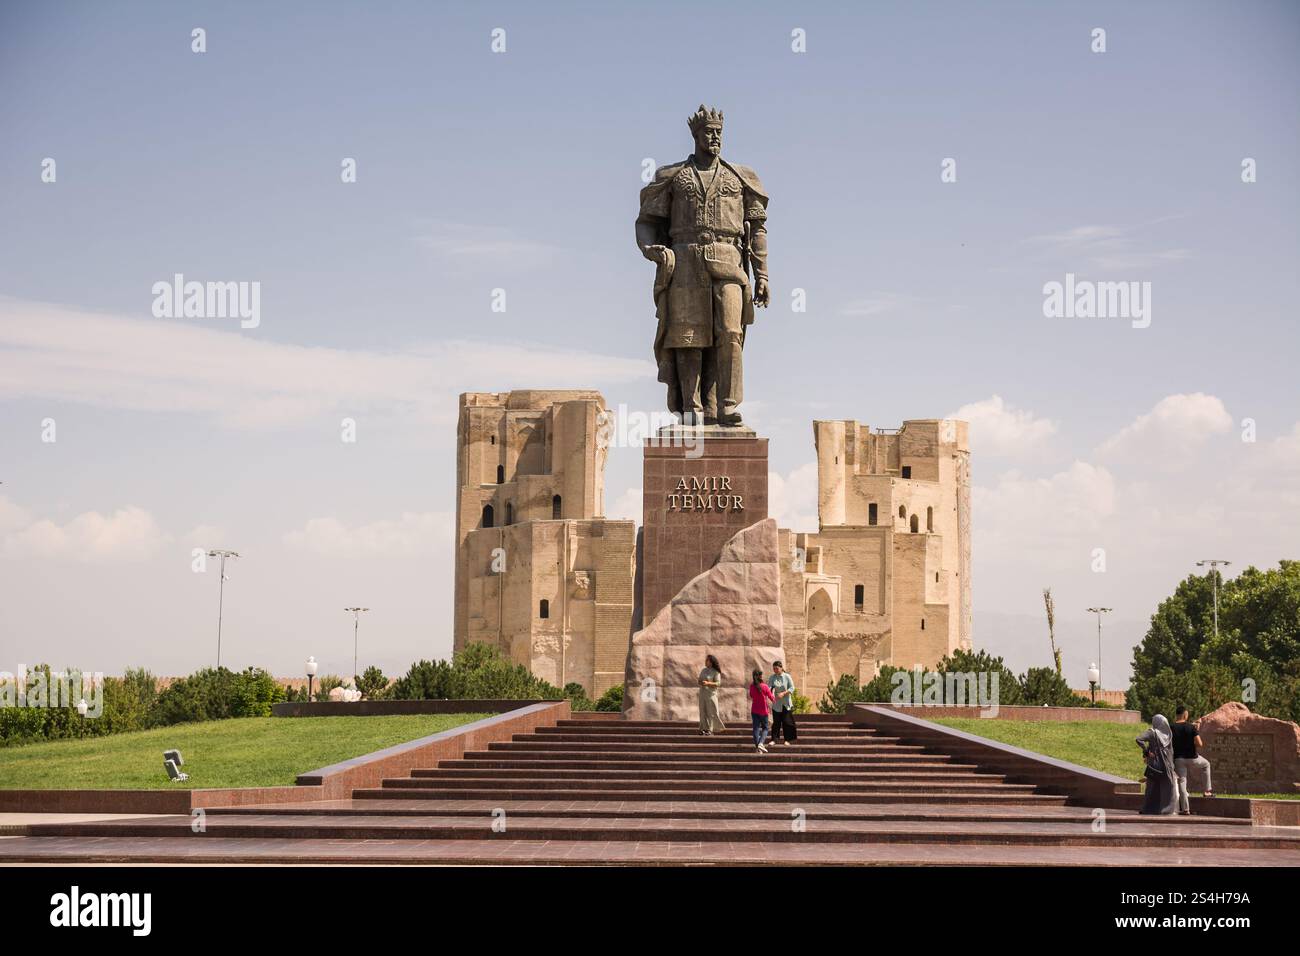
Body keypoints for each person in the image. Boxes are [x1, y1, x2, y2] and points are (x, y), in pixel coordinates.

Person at [1172, 705, 1214, 813]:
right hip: (1192, 757)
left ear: (1176, 715)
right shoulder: (1191, 727)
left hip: (1178, 759)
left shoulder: (1171, 727)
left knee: (1182, 782)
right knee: (1206, 764)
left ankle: (1185, 809)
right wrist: (1194, 733)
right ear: (1185, 714)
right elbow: (1199, 743)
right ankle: (1207, 791)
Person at [1136, 714, 1179, 815]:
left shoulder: (1152, 733)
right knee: (1168, 787)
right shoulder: (1169, 734)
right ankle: (1166, 809)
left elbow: (1139, 739)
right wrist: (1172, 766)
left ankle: (1148, 809)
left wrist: (1146, 751)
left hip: (1154, 765)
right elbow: (1171, 751)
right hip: (1166, 765)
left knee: (1151, 788)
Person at [767, 661, 797, 745]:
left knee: (787, 722)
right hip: (776, 704)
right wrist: (771, 693)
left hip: (786, 703)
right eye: (774, 669)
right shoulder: (772, 677)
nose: (775, 670)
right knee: (776, 722)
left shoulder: (787, 676)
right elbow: (769, 687)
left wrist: (783, 693)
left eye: (776, 668)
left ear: (781, 668)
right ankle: (774, 739)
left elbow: (792, 688)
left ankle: (788, 740)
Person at [747, 668, 776, 753]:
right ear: (760, 676)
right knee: (766, 728)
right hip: (763, 711)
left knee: (756, 729)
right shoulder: (765, 686)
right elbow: (772, 699)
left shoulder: (752, 686)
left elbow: (751, 696)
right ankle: (761, 743)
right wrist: (772, 692)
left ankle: (758, 748)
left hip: (754, 710)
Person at [697, 655, 726, 736]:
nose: (705, 662)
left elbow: (718, 683)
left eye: (707, 660)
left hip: (711, 694)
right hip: (702, 694)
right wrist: (700, 681)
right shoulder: (703, 670)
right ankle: (703, 728)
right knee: (703, 711)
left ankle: (710, 729)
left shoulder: (716, 672)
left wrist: (708, 683)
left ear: (711, 662)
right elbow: (699, 680)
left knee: (711, 712)